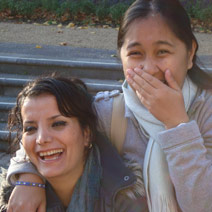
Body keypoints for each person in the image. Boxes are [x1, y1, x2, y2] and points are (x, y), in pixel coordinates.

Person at [5, 0, 212, 211]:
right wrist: (29, 179)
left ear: (190, 54)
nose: (149, 69)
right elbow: (43, 137)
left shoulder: (207, 112)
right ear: (120, 57)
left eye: (162, 52)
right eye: (135, 54)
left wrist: (177, 124)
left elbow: (202, 205)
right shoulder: (109, 111)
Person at [1, 76, 147, 211]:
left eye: (58, 124)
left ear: (86, 134)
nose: (41, 138)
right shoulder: (12, 202)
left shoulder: (126, 199)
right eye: (31, 128)